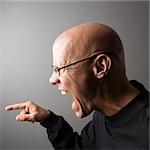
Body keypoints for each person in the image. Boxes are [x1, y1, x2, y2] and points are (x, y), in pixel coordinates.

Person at [5, 22, 149, 149]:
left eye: (59, 69)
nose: (52, 79)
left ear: (100, 66)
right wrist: (48, 119)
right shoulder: (104, 114)